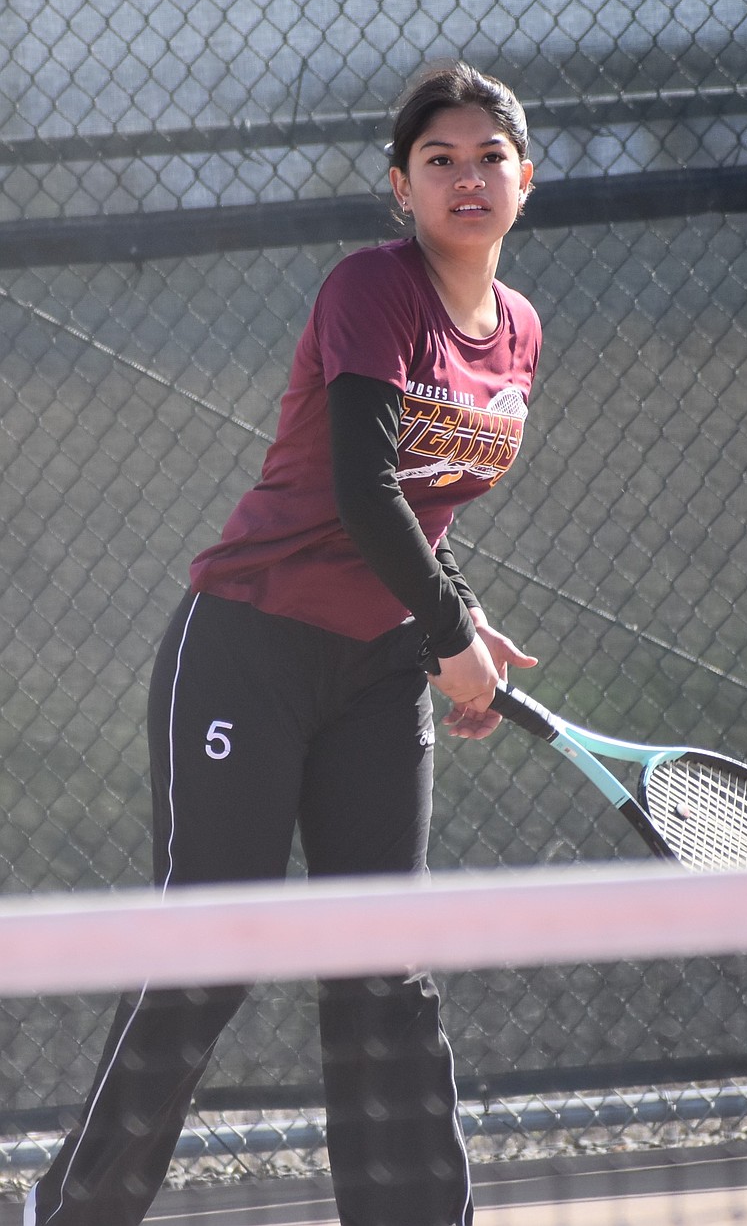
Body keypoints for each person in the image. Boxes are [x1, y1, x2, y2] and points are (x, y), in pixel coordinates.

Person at [26, 61, 542, 1226]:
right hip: (248, 650)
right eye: (440, 160)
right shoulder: (370, 287)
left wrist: (453, 618)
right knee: (207, 954)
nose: (468, 177)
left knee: (385, 966)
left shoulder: (518, 331)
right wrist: (449, 628)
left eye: (490, 157)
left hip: (374, 677)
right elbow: (362, 483)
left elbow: (426, 503)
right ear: (400, 188)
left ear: (528, 179)